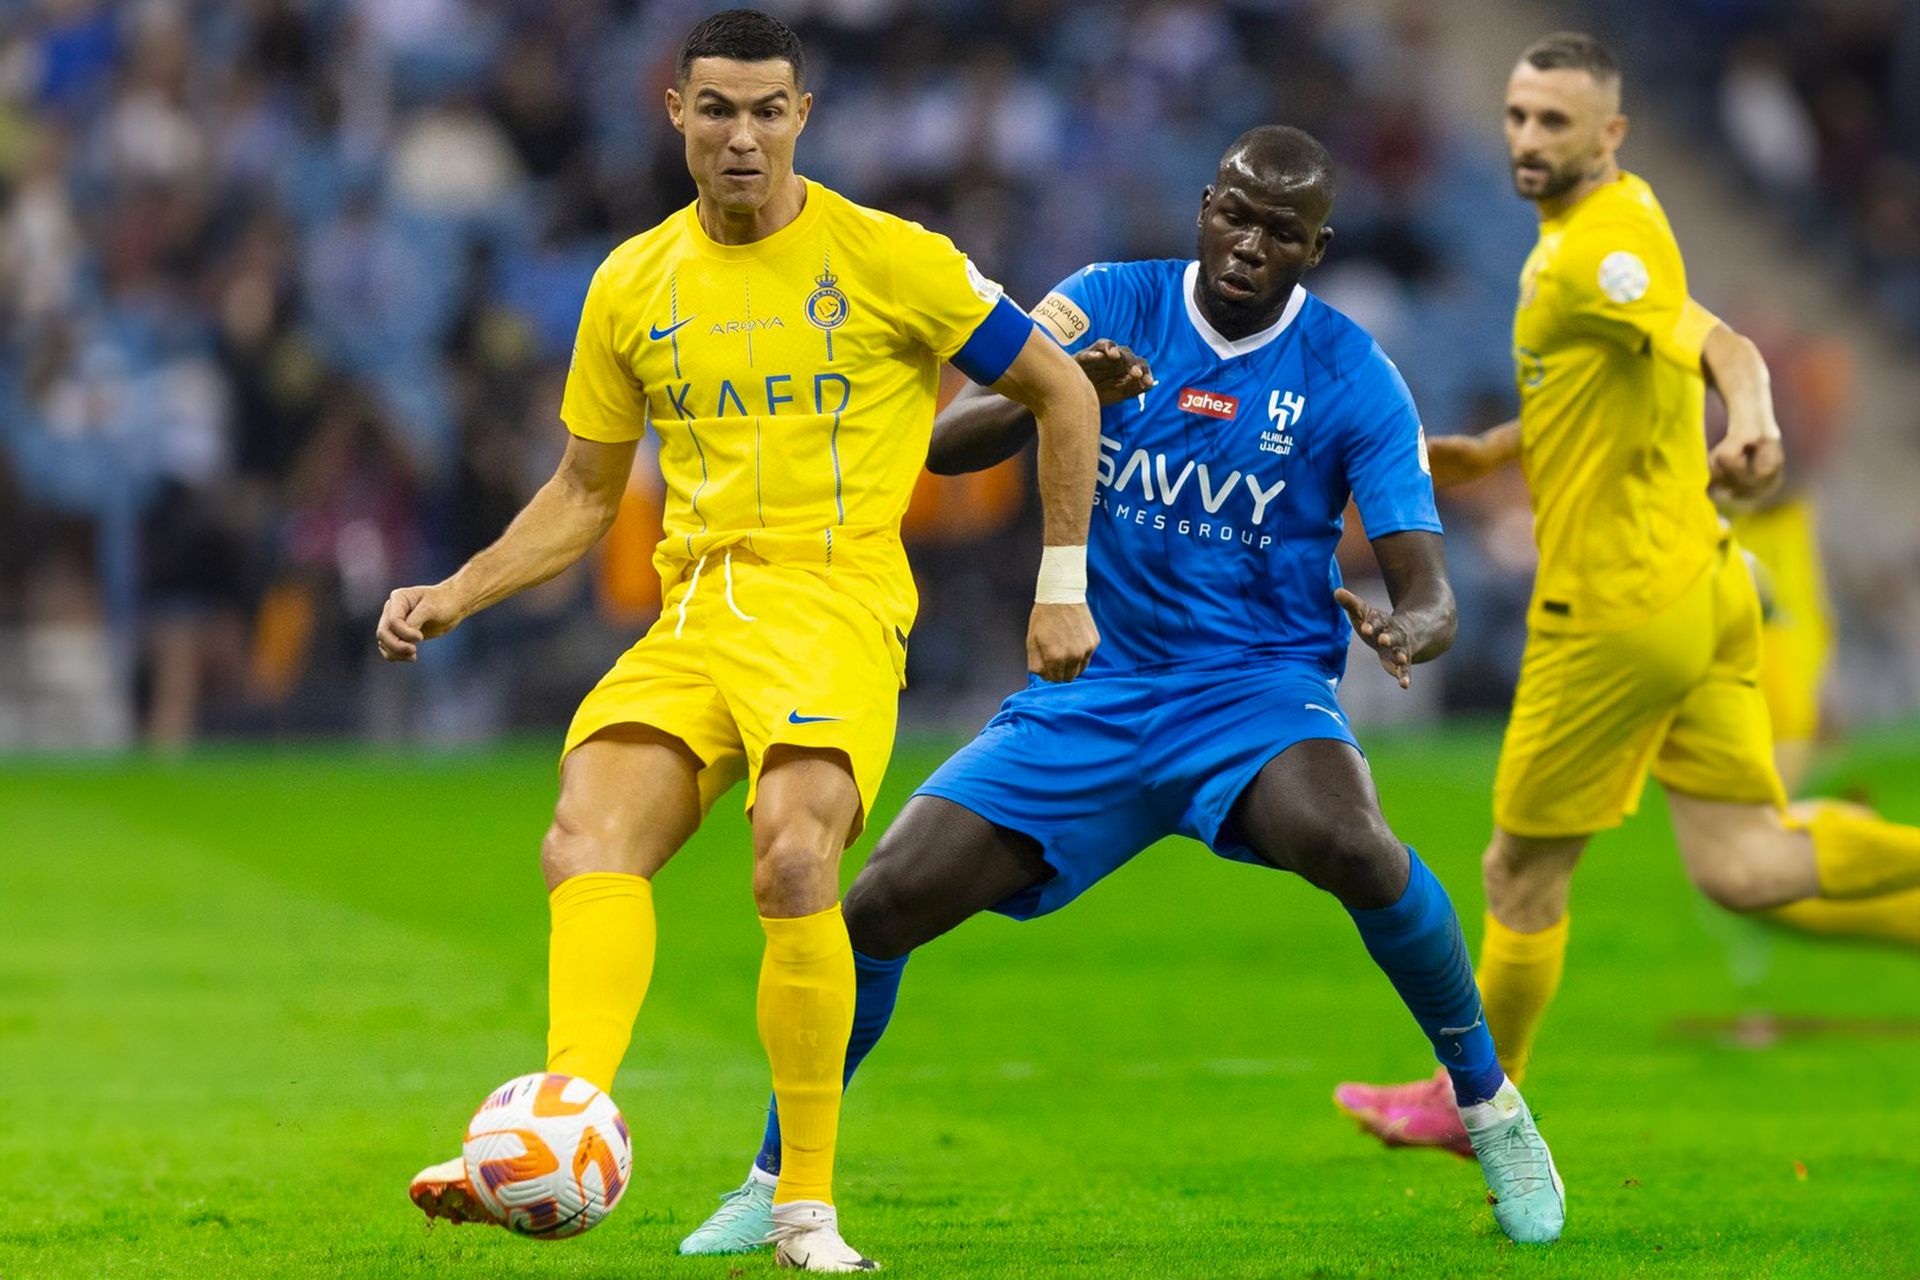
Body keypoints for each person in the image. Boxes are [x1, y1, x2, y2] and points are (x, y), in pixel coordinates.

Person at [678, 124, 1566, 1258]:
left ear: (1317, 248)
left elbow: (1428, 588)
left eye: (1281, 234)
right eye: (1235, 215)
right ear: (1204, 205)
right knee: (877, 906)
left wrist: (1412, 628)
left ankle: (1491, 1108)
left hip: (1253, 694)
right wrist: (1064, 393)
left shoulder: (1354, 375)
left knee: (1352, 841)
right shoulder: (1103, 299)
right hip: (1090, 697)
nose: (1249, 245)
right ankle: (778, 1180)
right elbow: (948, 445)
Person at [375, 11, 1101, 1271]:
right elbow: (586, 493)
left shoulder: (893, 258)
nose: (743, 135)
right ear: (676, 114)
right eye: (718, 109)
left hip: (833, 597)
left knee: (792, 857)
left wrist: (1061, 583)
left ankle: (803, 1208)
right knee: (583, 834)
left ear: (803, 117)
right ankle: (552, 1132)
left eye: (769, 110)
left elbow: (1062, 385)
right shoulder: (632, 282)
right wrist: (461, 587)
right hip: (698, 603)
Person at [1335, 31, 1920, 1158]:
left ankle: (1477, 1105)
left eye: (1554, 123)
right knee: (1747, 864)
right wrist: (1491, 448)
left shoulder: (1587, 258)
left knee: (1518, 870)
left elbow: (1726, 347)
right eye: (1515, 116)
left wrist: (1751, 420)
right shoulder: (1628, 214)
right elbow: (1610, 387)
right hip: (1701, 585)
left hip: (1615, 611)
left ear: (1611, 135)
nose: (1525, 140)